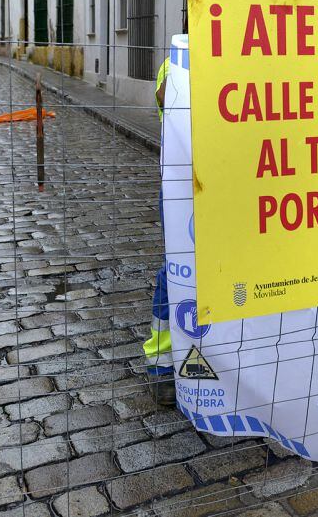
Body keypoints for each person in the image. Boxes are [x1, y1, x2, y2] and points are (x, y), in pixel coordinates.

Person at [144, 56, 175, 405]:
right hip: (184, 189)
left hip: (233, 188)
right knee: (177, 269)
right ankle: (160, 362)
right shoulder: (176, 62)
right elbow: (168, 97)